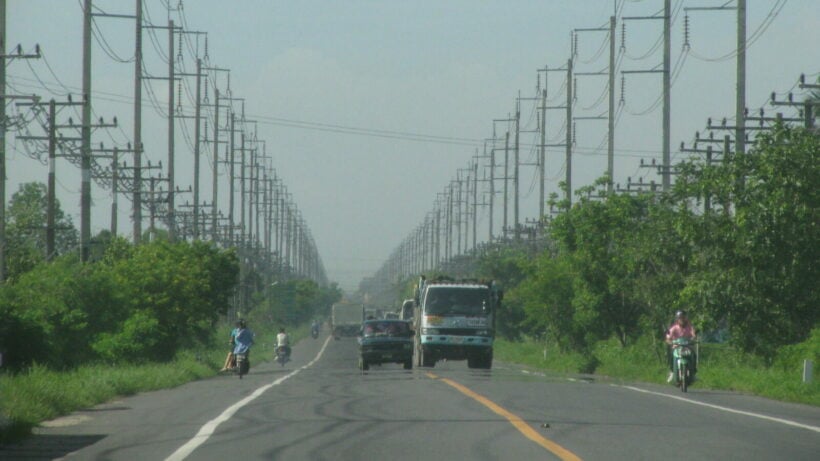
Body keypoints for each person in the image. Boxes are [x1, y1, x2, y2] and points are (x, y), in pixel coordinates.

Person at [665, 310, 697, 382]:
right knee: (671, 355)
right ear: (677, 319)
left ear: (686, 318)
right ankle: (672, 372)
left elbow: (693, 334)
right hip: (676, 347)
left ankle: (694, 373)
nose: (682, 319)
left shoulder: (690, 327)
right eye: (680, 318)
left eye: (683, 317)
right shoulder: (674, 328)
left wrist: (693, 338)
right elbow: (668, 337)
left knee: (694, 355)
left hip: (687, 347)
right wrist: (670, 341)